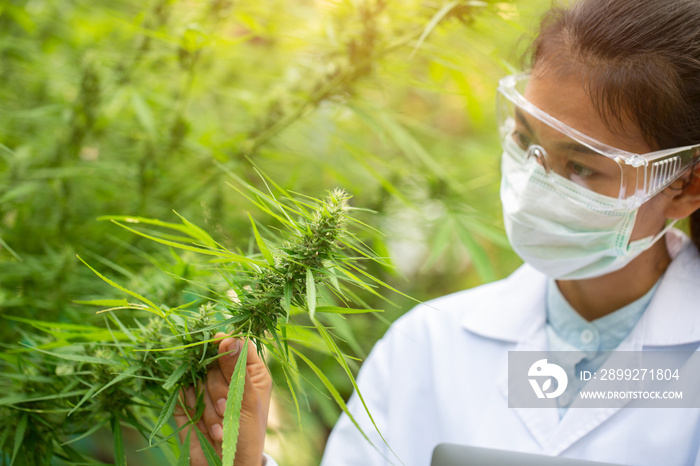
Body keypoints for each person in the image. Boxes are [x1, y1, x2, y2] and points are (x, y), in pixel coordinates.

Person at [178, 0, 700, 464]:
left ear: (684, 186)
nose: (536, 182)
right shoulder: (427, 344)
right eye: (524, 138)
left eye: (582, 168)